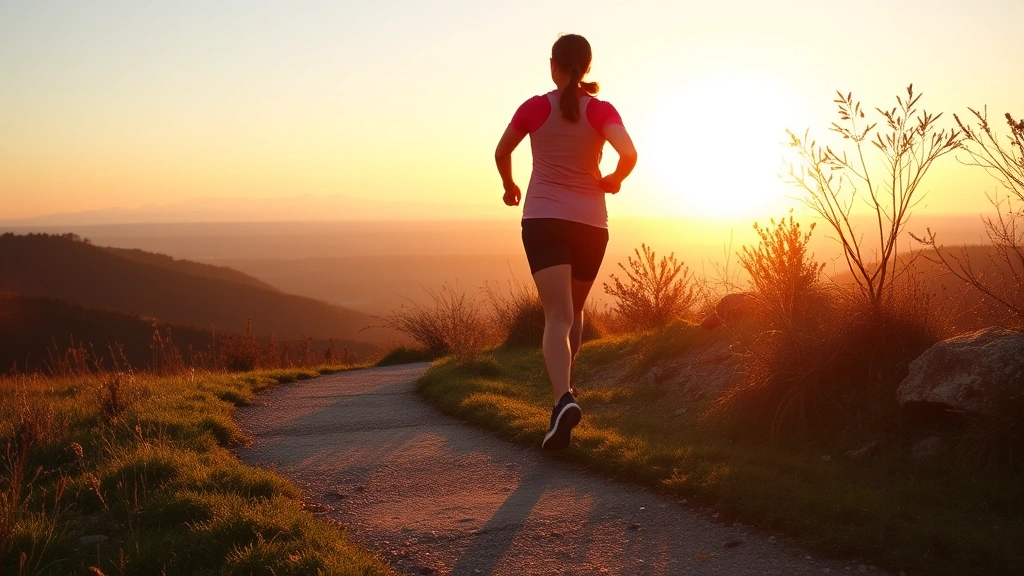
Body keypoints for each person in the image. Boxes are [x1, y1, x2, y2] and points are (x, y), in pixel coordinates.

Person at [494, 34, 637, 450]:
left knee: (557, 316)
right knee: (573, 314)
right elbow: (629, 154)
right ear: (587, 67)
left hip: (544, 220)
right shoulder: (602, 110)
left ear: (553, 65)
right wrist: (614, 179)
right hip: (592, 226)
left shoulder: (537, 106)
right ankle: (566, 398)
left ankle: (562, 400)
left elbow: (502, 152)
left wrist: (509, 184)